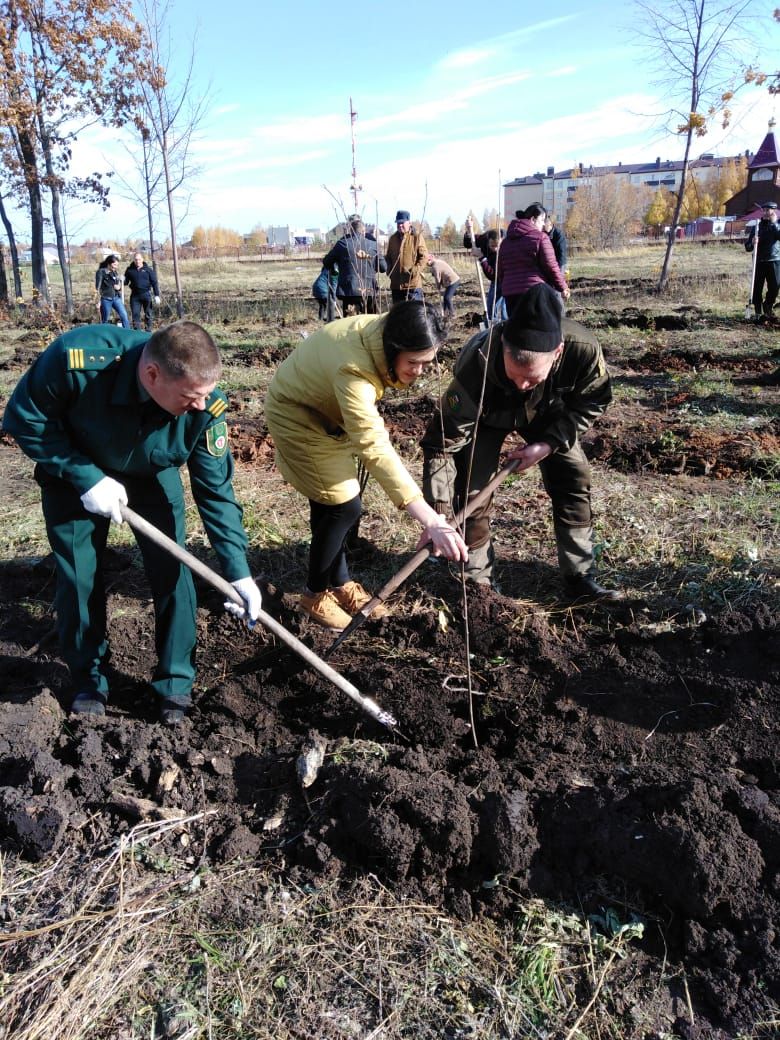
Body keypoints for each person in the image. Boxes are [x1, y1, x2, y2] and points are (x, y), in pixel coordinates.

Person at [2, 321, 263, 723]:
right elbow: (24, 418)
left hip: (151, 475)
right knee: (79, 577)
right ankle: (89, 678)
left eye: (205, 395)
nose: (199, 405)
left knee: (174, 572)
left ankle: (175, 681)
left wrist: (239, 572)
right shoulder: (81, 361)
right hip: (74, 474)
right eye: (190, 396)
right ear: (153, 374)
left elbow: (217, 494)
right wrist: (85, 476)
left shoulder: (205, 409)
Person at [265, 302, 468, 632]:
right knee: (343, 504)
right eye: (413, 362)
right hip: (298, 414)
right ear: (394, 347)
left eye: (426, 362)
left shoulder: (385, 332)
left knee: (333, 500)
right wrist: (430, 518)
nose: (419, 371)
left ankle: (339, 582)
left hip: (326, 410)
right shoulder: (355, 368)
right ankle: (314, 595)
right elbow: (372, 444)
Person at [421, 283, 622, 603]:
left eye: (532, 378)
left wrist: (548, 444)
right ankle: (477, 585)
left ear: (557, 354)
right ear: (503, 345)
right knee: (474, 491)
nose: (522, 385)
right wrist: (440, 516)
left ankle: (579, 577)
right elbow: (442, 443)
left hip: (547, 414)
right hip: (487, 417)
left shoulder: (581, 350)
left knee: (573, 474)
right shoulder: (476, 366)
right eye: (515, 376)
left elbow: (593, 400)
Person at [497, 204, 570, 317]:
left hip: (511, 295)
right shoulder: (540, 238)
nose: (543, 224)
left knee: (518, 332)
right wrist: (563, 287)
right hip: (534, 294)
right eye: (542, 220)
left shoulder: (505, 243)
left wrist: (508, 286)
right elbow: (551, 266)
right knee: (541, 331)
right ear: (533, 219)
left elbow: (501, 271)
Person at [322, 217, 387, 315]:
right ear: (364, 231)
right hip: (369, 290)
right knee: (370, 322)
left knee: (351, 325)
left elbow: (326, 262)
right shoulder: (374, 245)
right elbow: (383, 268)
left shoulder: (342, 244)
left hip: (349, 292)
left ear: (350, 231)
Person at [464, 219, 506, 322]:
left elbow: (493, 275)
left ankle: (506, 327)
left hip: (508, 277)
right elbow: (469, 243)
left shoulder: (506, 247)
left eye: (498, 246)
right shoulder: (484, 238)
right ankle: (492, 326)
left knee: (506, 307)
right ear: (488, 241)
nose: (495, 249)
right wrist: (469, 231)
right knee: (491, 305)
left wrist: (482, 258)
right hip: (496, 279)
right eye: (492, 246)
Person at [745, 201, 780, 323]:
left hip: (774, 260)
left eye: (768, 210)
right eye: (763, 210)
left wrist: (774, 223)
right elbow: (748, 247)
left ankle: (768, 305)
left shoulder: (778, 224)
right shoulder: (757, 226)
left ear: (773, 211)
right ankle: (758, 311)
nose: (765, 212)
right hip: (759, 262)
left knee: (775, 287)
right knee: (757, 288)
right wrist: (752, 243)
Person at [385, 210, 428, 303]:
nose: (400, 225)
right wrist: (389, 270)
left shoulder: (417, 237)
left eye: (402, 222)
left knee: (413, 315)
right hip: (396, 286)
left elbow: (424, 257)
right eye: (398, 223)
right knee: (398, 315)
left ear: (409, 223)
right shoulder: (392, 239)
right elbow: (388, 257)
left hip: (412, 286)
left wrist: (415, 270)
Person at [124, 252, 161, 332]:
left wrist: (156, 295)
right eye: (136, 259)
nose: (137, 261)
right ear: (134, 260)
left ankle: (148, 331)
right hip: (135, 296)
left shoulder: (148, 270)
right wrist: (121, 280)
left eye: (139, 259)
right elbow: (125, 282)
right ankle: (137, 332)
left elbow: (154, 283)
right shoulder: (130, 270)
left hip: (146, 295)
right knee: (135, 314)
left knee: (148, 314)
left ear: (142, 259)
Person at [94, 255, 129, 327]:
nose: (116, 266)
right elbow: (97, 288)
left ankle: (127, 333)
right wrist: (98, 301)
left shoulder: (114, 272)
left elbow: (117, 286)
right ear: (109, 264)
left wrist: (119, 288)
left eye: (117, 265)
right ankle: (104, 335)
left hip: (116, 298)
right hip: (106, 299)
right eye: (114, 264)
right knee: (105, 319)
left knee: (124, 315)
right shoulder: (101, 272)